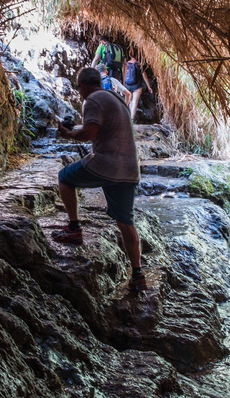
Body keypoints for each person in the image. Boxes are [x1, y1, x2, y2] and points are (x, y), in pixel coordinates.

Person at [53, 67, 148, 292]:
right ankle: (137, 274)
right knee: (126, 222)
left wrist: (68, 133)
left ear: (84, 85)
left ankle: (74, 229)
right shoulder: (115, 98)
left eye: (78, 88)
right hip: (129, 169)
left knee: (64, 177)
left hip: (106, 164)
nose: (79, 92)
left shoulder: (93, 100)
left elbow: (89, 133)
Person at [123, 50, 153, 121]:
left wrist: (123, 85)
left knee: (129, 101)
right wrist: (149, 86)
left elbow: (123, 74)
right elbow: (144, 76)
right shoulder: (139, 64)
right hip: (137, 86)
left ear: (129, 55)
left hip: (127, 85)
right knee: (135, 102)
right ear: (137, 55)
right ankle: (132, 119)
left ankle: (129, 117)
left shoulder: (126, 63)